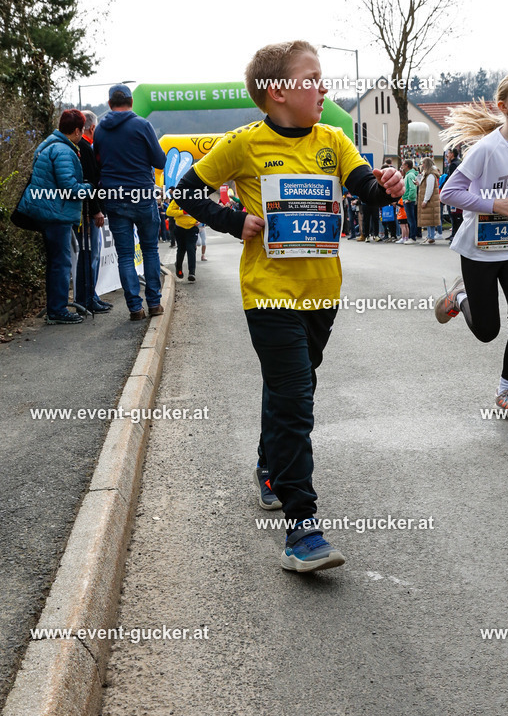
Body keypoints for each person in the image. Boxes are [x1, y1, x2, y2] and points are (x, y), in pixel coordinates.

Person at [172, 39, 404, 572]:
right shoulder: (242, 145)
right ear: (278, 91)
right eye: (312, 78)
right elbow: (185, 193)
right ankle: (302, 529)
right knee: (296, 398)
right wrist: (235, 221)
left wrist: (387, 185)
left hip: (323, 292)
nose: (323, 87)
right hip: (268, 292)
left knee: (291, 390)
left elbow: (366, 189)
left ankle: (268, 464)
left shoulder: (333, 139)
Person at [436, 73, 508, 420]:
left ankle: (507, 393)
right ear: (504, 106)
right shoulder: (486, 149)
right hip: (479, 251)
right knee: (488, 332)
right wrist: (493, 205)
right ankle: (459, 296)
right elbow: (449, 193)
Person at [94, 84, 167, 321]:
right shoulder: (142, 125)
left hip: (114, 198)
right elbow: (159, 161)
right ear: (131, 102)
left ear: (109, 104)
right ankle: (154, 303)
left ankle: (135, 308)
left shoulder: (100, 131)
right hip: (142, 196)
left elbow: (97, 164)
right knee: (150, 250)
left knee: (125, 255)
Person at [17, 109, 93, 325]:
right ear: (77, 130)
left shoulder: (47, 144)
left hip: (46, 211)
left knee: (55, 261)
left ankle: (55, 308)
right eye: (82, 130)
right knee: (61, 262)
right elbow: (69, 187)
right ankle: (58, 310)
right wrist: (88, 188)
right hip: (56, 214)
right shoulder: (64, 151)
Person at [74, 110, 112, 313]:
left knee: (91, 255)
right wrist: (96, 210)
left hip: (87, 210)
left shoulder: (83, 146)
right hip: (87, 212)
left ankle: (90, 296)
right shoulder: (85, 148)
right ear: (92, 128)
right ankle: (86, 298)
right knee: (90, 254)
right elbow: (90, 183)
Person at [165, 200, 200, 280]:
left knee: (191, 248)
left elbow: (203, 211)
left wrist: (200, 221)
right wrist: (182, 212)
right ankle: (178, 268)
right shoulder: (178, 199)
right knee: (181, 249)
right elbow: (169, 212)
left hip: (192, 228)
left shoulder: (196, 197)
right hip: (180, 228)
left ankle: (192, 272)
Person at [417, 157, 441, 243]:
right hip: (429, 200)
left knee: (430, 219)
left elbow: (429, 189)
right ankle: (429, 236)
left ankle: (431, 237)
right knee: (428, 219)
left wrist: (425, 200)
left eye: (423, 163)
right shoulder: (428, 174)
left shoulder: (430, 175)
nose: (422, 165)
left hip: (430, 201)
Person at [402, 159, 418, 241]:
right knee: (411, 219)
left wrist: (409, 198)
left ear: (407, 165)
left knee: (411, 219)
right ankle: (412, 236)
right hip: (408, 199)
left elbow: (412, 188)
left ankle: (412, 237)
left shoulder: (409, 175)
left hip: (408, 200)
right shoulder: (409, 174)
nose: (402, 166)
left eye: (403, 164)